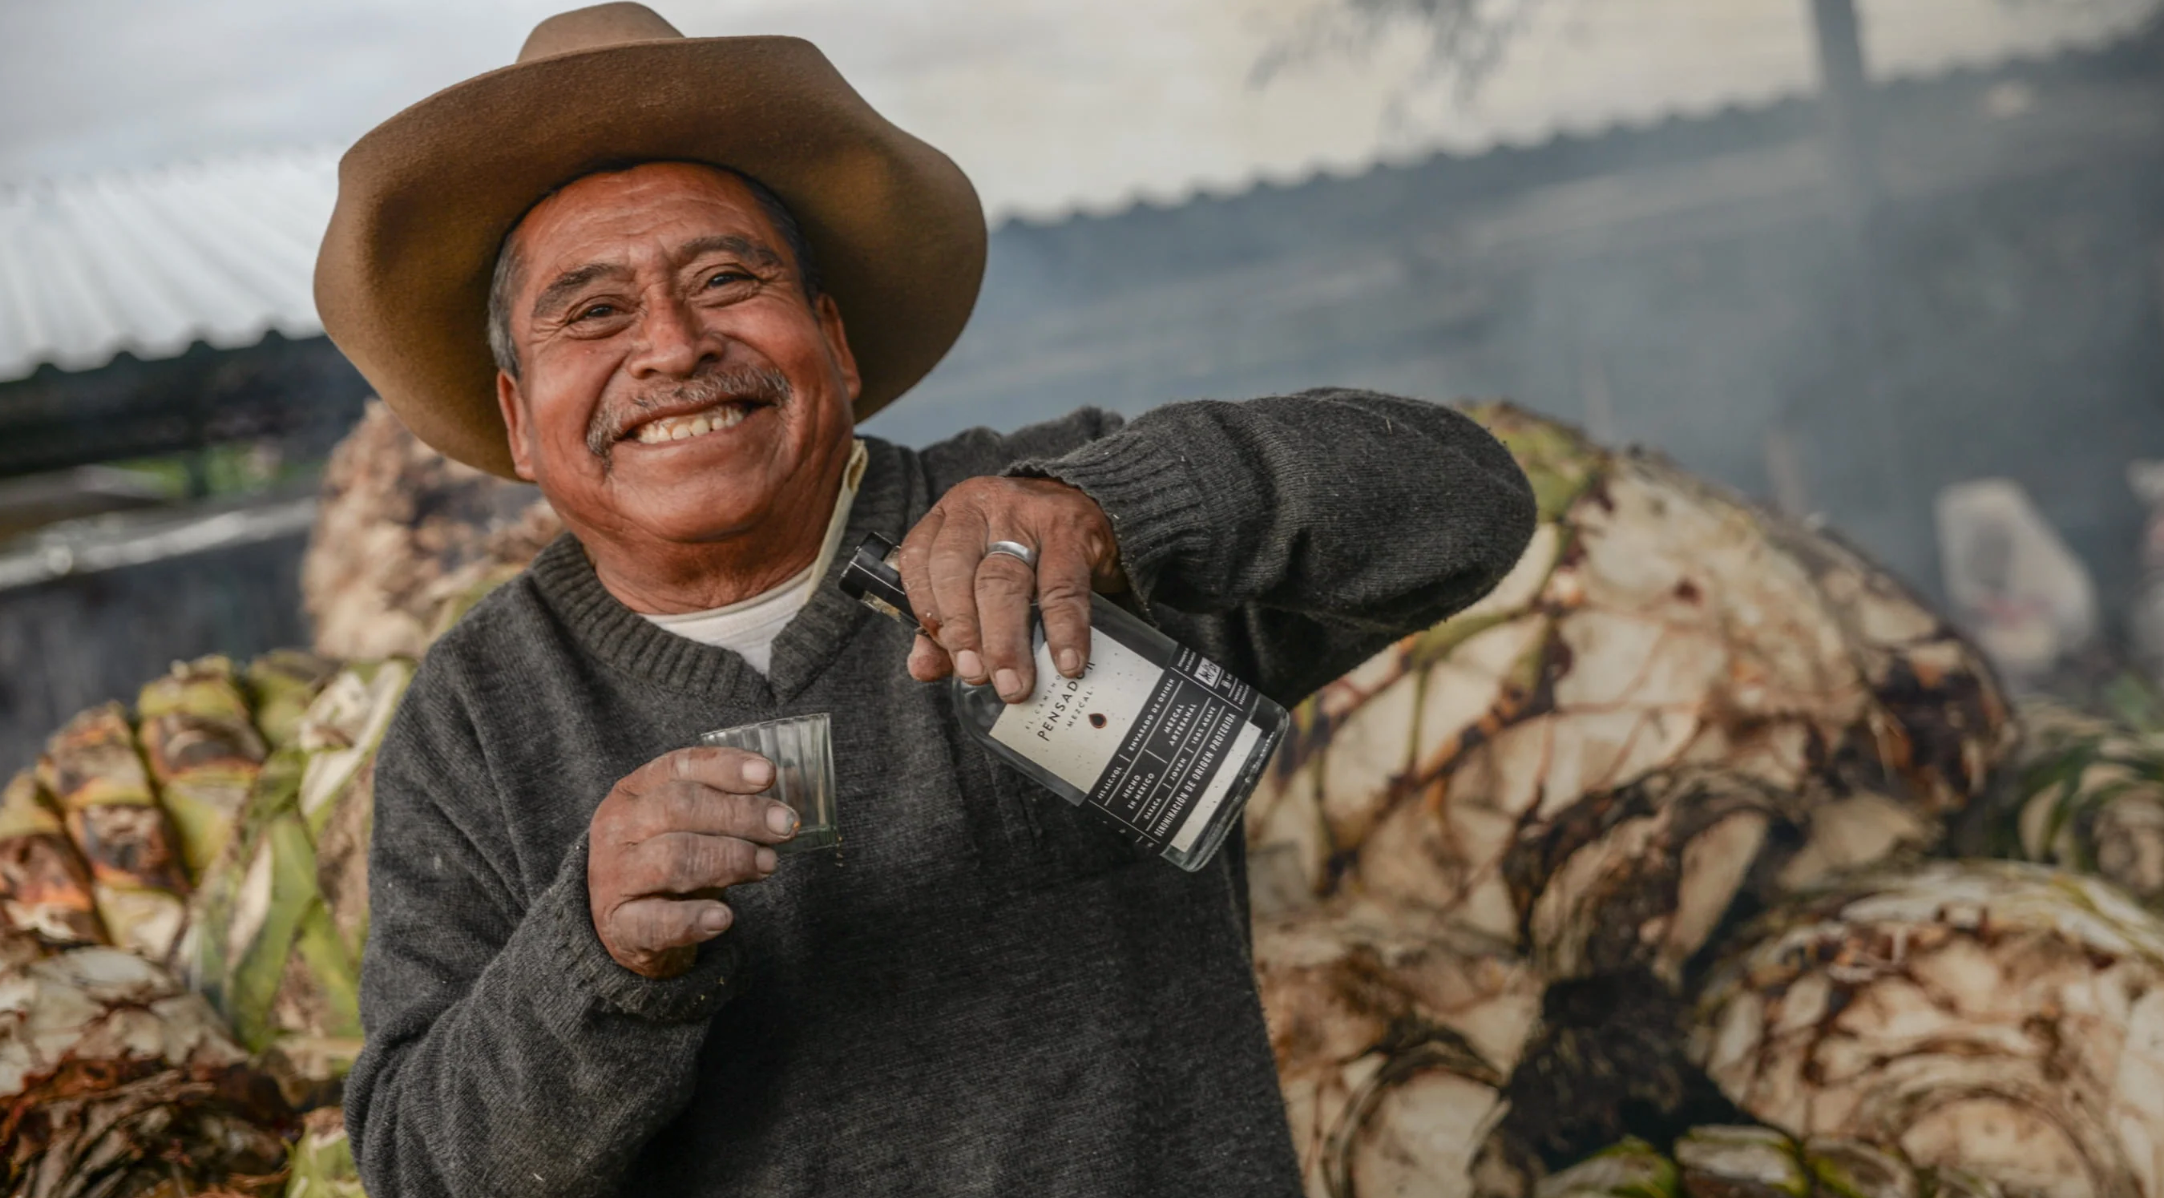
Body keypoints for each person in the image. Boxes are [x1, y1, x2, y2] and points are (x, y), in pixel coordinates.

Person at [314, 5, 1538, 1195]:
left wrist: (1126, 507)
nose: (675, 346)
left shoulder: (1057, 522)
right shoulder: (476, 711)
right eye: (593, 312)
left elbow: (1468, 504)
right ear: (521, 417)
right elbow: (423, 1165)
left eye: (728, 278)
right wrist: (593, 948)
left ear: (832, 341)